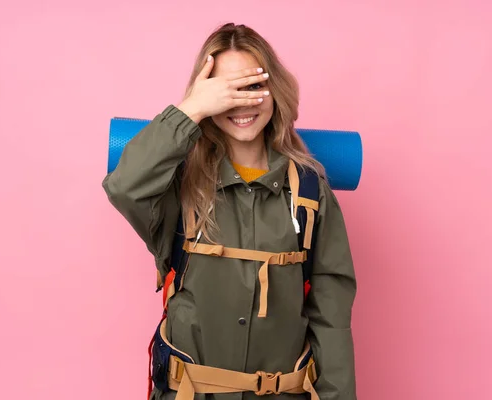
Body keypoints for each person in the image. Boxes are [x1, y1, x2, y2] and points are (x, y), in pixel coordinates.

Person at [102, 23, 357, 400]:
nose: (241, 104)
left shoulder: (309, 193)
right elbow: (125, 186)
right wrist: (190, 110)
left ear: (275, 91)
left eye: (253, 86)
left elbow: (332, 321)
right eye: (225, 91)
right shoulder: (178, 186)